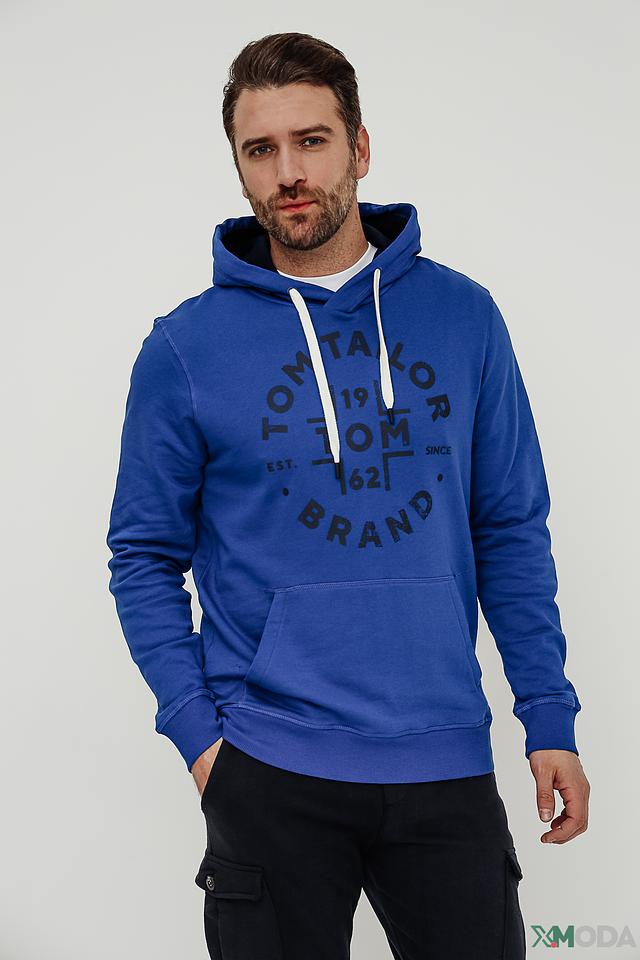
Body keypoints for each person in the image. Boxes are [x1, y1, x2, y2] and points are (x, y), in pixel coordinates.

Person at [105, 31, 590, 960]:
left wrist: (548, 715)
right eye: (260, 149)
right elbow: (143, 556)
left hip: (444, 758)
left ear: (360, 148)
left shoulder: (464, 317)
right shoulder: (184, 348)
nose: (289, 172)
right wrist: (202, 740)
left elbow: (509, 528)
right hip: (267, 765)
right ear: (239, 166)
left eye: (312, 141)